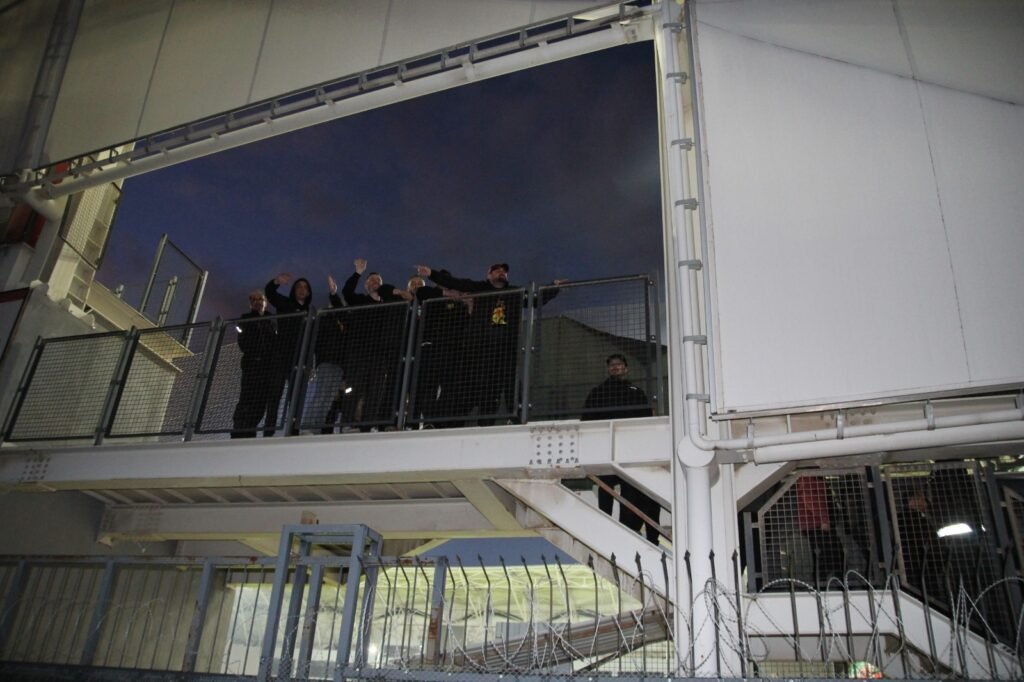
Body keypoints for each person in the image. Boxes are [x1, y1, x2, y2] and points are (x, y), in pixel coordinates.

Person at [415, 262, 564, 425]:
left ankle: (513, 421)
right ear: (489, 274)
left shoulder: (514, 292)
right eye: (497, 270)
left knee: (504, 387)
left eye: (504, 271)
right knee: (472, 388)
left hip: (504, 350)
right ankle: (450, 423)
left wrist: (554, 287)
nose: (501, 272)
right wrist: (431, 273)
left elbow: (534, 299)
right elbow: (456, 283)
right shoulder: (480, 288)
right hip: (478, 350)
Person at [581, 354, 660, 542]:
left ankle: (625, 528)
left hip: (629, 449)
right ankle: (606, 523)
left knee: (628, 489)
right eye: (612, 365)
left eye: (619, 364)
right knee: (605, 486)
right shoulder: (598, 392)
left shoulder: (635, 392)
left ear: (626, 368)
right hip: (606, 448)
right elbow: (587, 419)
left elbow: (645, 420)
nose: (615, 367)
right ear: (608, 369)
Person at [340, 259, 407, 429]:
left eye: (378, 280)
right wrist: (358, 273)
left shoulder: (390, 304)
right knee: (354, 388)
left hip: (380, 354)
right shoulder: (360, 300)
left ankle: (368, 426)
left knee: (376, 390)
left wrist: (395, 291)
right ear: (366, 286)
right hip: (359, 353)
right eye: (371, 281)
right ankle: (349, 424)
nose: (374, 283)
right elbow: (346, 292)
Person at [264, 272, 313, 434]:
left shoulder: (312, 312)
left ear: (308, 292)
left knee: (296, 396)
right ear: (294, 290)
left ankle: (293, 432)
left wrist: (310, 363)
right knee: (274, 393)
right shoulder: (285, 303)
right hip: (281, 355)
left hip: (300, 358)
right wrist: (276, 281)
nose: (302, 289)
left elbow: (313, 340)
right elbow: (269, 293)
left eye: (305, 287)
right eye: (299, 286)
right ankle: (269, 432)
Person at [231, 291, 281, 438]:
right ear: (250, 303)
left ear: (265, 302)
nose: (258, 302)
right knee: (247, 399)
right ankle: (240, 432)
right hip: (252, 365)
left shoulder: (272, 320)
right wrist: (255, 353)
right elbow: (243, 342)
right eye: (254, 300)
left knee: (260, 402)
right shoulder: (245, 319)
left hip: (268, 367)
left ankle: (249, 430)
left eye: (260, 299)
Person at [307, 275, 348, 434]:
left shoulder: (345, 322)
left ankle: (317, 428)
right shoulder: (324, 319)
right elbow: (314, 342)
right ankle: (307, 426)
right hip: (326, 360)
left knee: (329, 398)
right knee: (321, 394)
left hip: (339, 364)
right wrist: (312, 364)